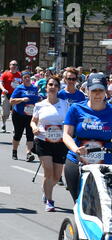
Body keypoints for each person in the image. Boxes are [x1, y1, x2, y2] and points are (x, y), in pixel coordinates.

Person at [63, 73, 112, 203]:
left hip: (104, 160)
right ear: (87, 91)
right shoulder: (76, 108)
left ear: (106, 92)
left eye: (101, 90)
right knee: (79, 200)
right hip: (77, 158)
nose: (97, 94)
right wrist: (75, 149)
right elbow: (66, 135)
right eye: (94, 90)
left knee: (101, 200)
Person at [30, 76, 69, 212]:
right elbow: (33, 121)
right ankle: (50, 200)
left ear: (59, 88)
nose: (52, 87)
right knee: (48, 171)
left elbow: (68, 122)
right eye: (50, 84)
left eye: (55, 85)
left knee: (57, 176)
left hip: (60, 142)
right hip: (43, 140)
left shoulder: (65, 104)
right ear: (46, 87)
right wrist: (34, 127)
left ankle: (45, 190)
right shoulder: (40, 105)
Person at [10, 71, 40, 162]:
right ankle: (14, 151)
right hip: (19, 114)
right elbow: (11, 101)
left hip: (30, 115)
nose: (27, 79)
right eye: (25, 77)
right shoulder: (19, 88)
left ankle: (28, 153)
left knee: (30, 135)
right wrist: (22, 99)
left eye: (28, 77)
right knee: (18, 134)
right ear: (22, 79)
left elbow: (37, 99)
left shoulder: (34, 88)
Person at [0, 60, 22, 133]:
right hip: (6, 95)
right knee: (5, 113)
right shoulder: (5, 74)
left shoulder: (20, 75)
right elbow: (1, 83)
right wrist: (3, 89)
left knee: (15, 112)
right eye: (13, 64)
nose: (14, 66)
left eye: (16, 65)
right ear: (10, 66)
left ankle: (15, 127)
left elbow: (22, 84)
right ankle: (3, 124)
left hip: (16, 96)